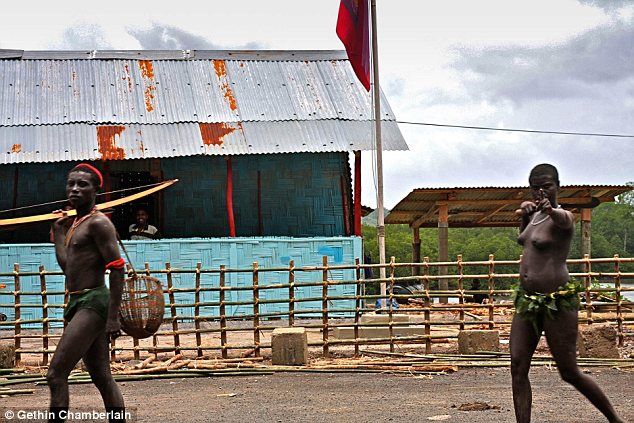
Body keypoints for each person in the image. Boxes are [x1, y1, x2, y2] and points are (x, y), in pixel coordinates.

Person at [511, 164, 623, 423]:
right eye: (535, 186)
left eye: (546, 186)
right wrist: (525, 216)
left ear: (558, 186)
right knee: (517, 365)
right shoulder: (534, 216)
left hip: (557, 300)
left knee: (569, 371)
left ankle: (615, 419)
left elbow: (563, 219)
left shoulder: (563, 216)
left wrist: (550, 208)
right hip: (527, 300)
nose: (541, 191)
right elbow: (525, 239)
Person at [50, 163, 126, 422]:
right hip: (78, 300)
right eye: (71, 184)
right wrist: (59, 233)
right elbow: (68, 269)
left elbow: (117, 269)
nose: (74, 189)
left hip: (94, 302)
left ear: (96, 190)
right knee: (101, 376)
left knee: (56, 374)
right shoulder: (73, 225)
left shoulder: (99, 223)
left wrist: (113, 317)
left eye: (82, 185)